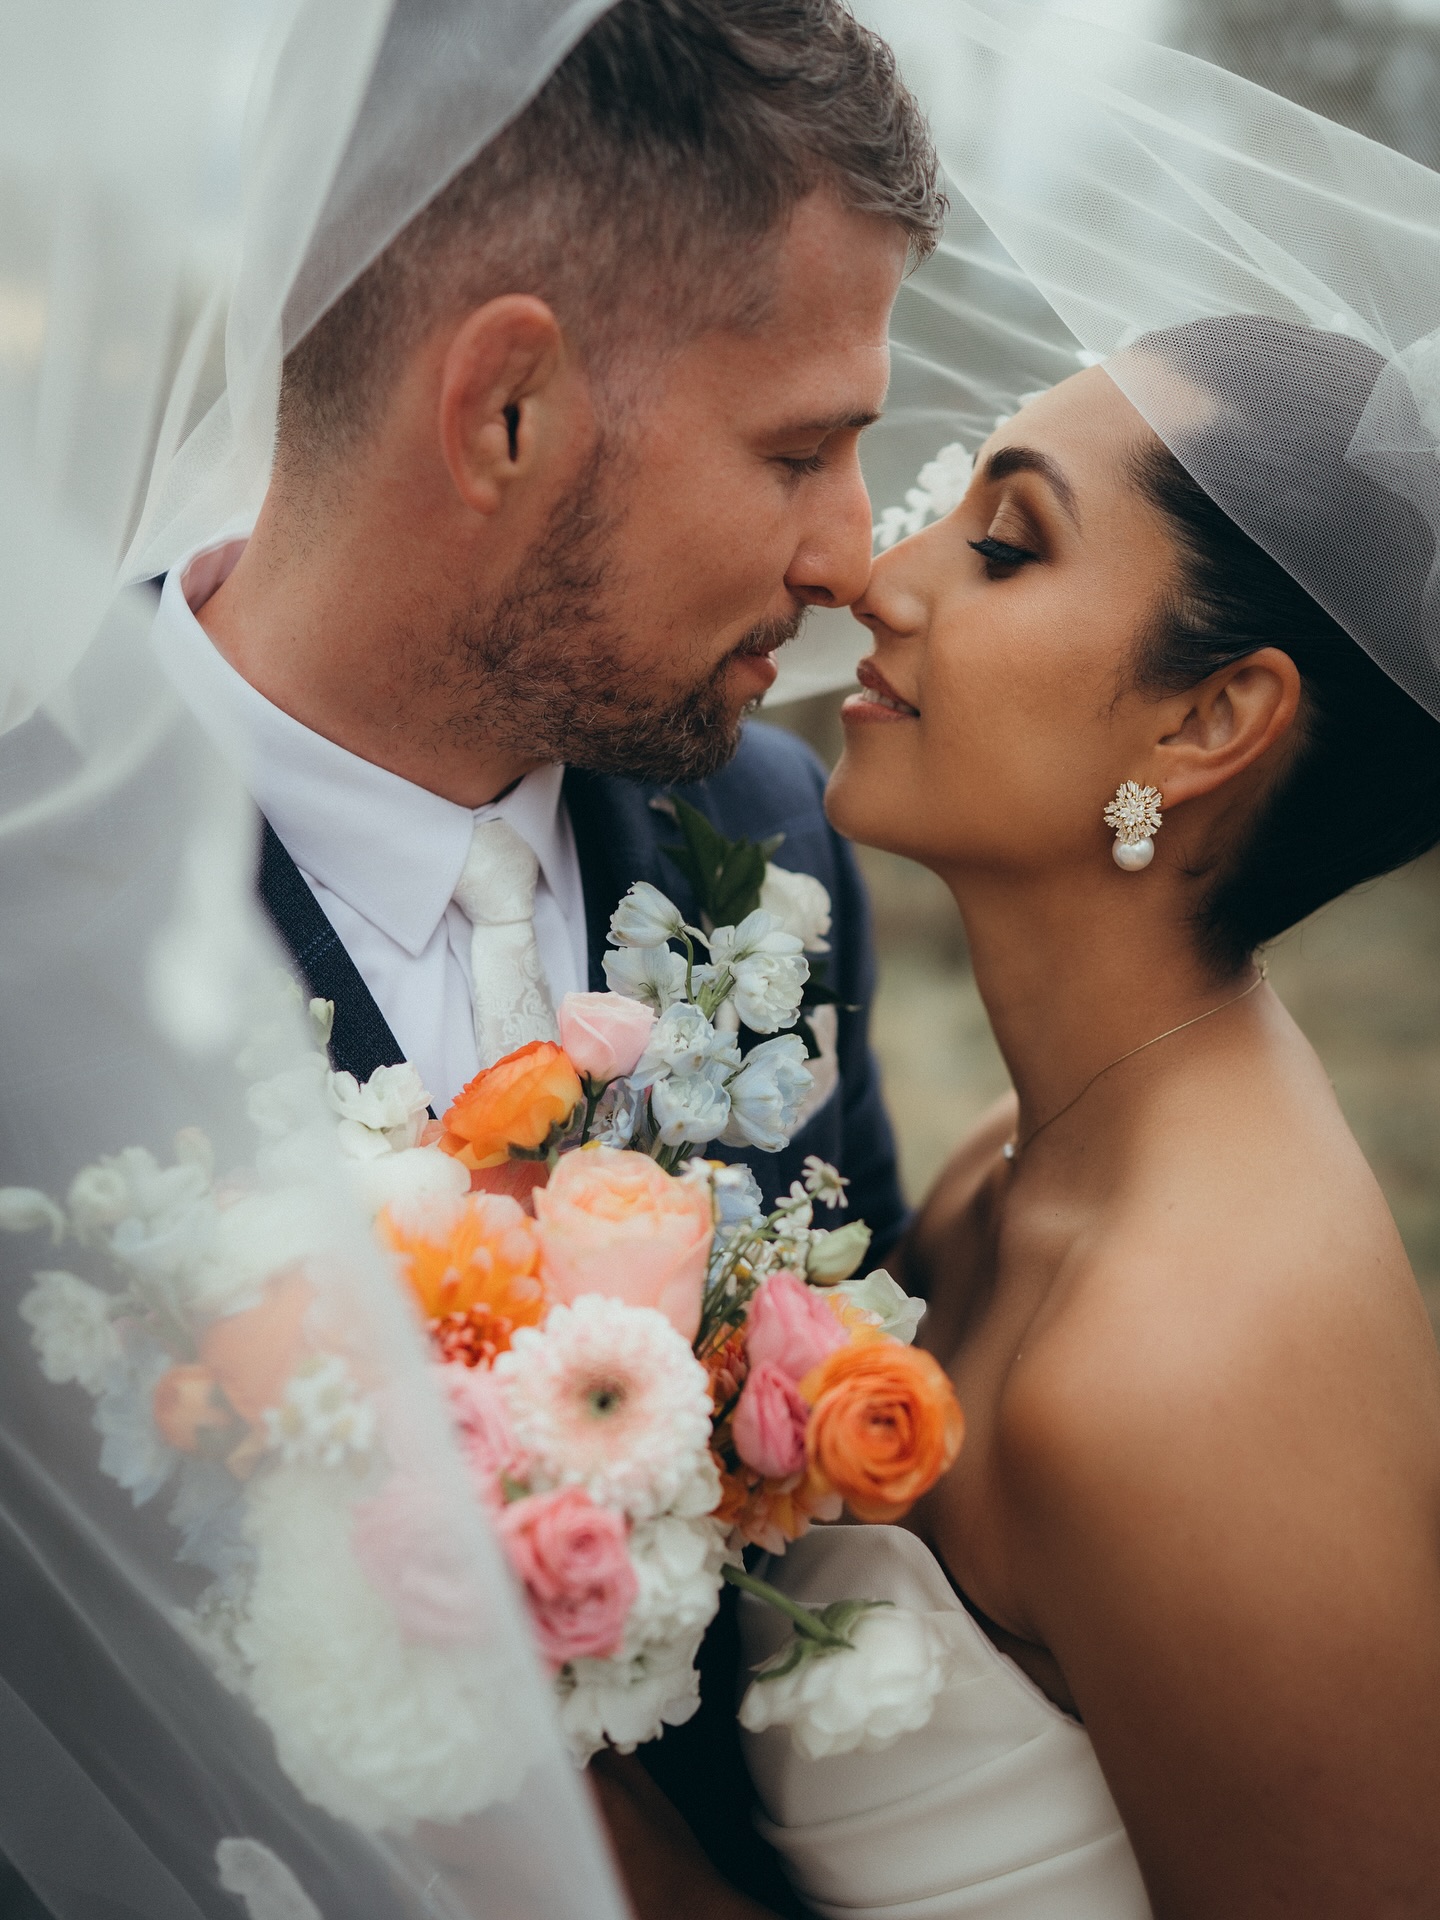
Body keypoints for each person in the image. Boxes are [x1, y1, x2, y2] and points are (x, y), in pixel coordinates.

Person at [590, 5, 1440, 1909]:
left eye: (1008, 543)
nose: (883, 576)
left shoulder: (1183, 1374)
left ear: (1210, 724)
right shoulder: (1017, 1161)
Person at [139, 4, 939, 1910]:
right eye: (800, 449)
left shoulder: (778, 836)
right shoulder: (42, 886)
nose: (854, 557)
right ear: (506, 409)